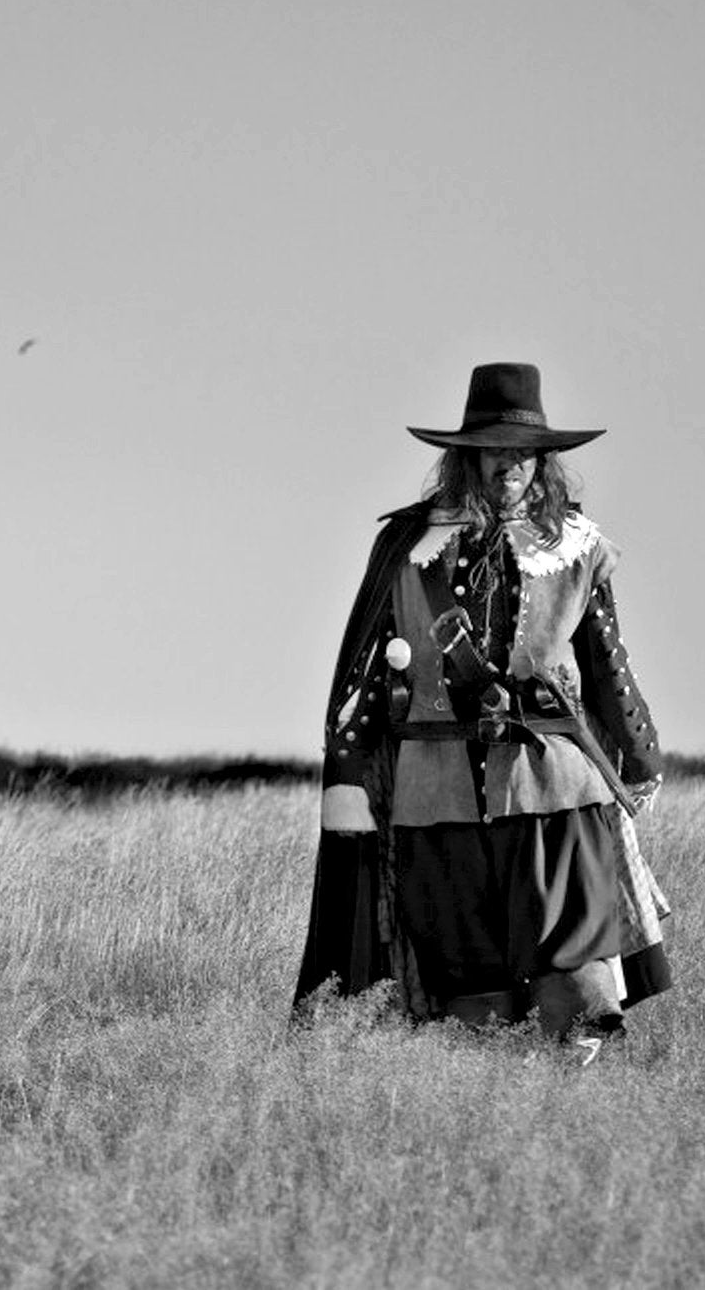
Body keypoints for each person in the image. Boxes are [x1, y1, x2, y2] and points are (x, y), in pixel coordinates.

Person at [291, 362, 671, 1059]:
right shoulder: (407, 545)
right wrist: (347, 772)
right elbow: (366, 668)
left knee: (574, 958)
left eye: (522, 452)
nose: (509, 465)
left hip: (555, 784)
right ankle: (492, 1098)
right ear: (467, 456)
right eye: (494, 450)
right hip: (436, 790)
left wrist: (640, 754)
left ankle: (571, 1098)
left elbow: (607, 661)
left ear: (543, 462)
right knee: (468, 971)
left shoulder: (579, 546)